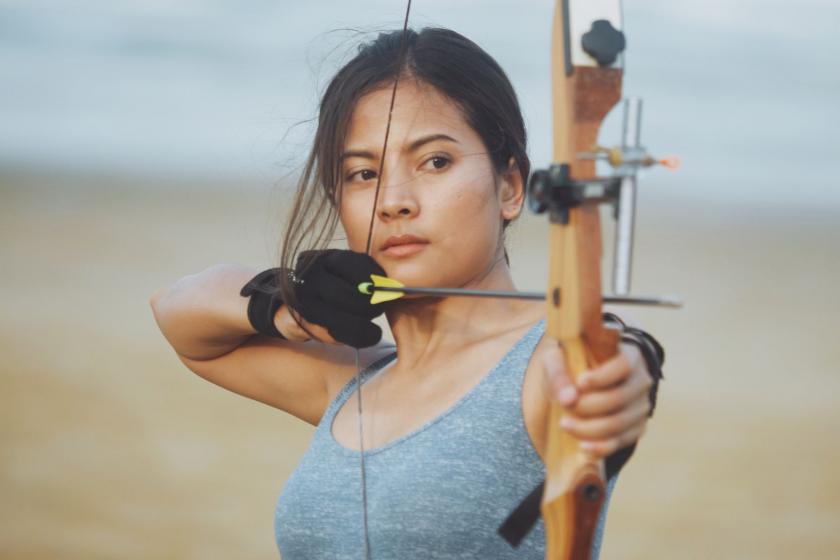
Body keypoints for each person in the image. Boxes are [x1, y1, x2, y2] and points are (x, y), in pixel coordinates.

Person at [150, 27, 663, 560]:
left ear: (510, 186)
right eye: (363, 173)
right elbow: (176, 310)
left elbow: (609, 363)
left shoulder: (544, 365)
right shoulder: (352, 382)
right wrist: (285, 304)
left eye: (436, 161)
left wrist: (624, 372)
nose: (393, 201)